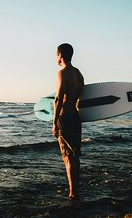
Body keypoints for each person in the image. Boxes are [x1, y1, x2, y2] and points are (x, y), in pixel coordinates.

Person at [52, 43, 84, 200]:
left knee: (67, 157)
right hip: (76, 118)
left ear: (60, 55)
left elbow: (58, 99)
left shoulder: (62, 73)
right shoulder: (78, 74)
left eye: (56, 54)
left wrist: (54, 122)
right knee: (75, 156)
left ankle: (72, 194)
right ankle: (75, 190)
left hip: (64, 118)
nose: (56, 57)